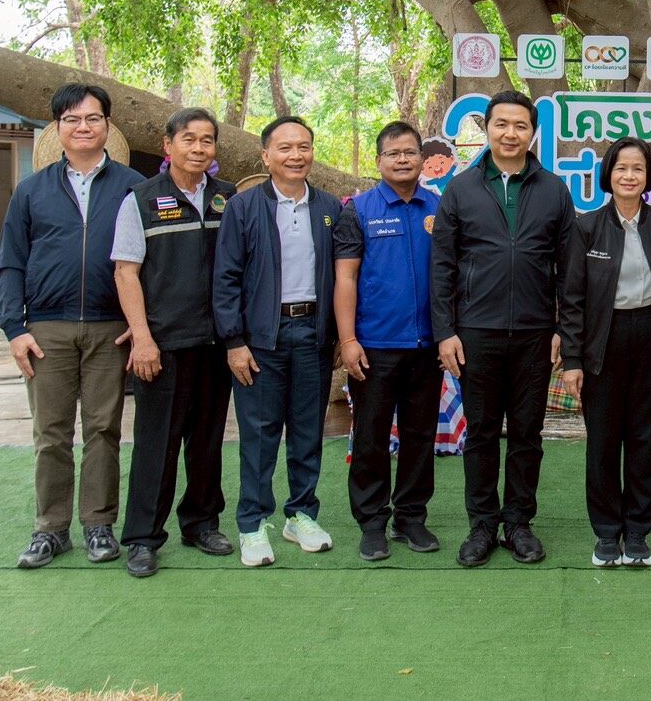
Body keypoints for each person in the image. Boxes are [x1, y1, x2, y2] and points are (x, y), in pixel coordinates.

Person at [0, 83, 144, 569]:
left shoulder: (133, 186)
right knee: (51, 433)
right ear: (57, 127)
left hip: (110, 328)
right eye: (72, 119)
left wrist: (140, 324)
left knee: (104, 429)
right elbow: (10, 262)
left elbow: (151, 263)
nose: (83, 127)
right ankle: (51, 529)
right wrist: (14, 327)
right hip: (46, 330)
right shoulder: (32, 190)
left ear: (107, 126)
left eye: (93, 118)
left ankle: (99, 524)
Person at [432, 90, 574, 568]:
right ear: (487, 129)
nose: (510, 134)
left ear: (532, 133)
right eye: (501, 124)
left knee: (528, 432)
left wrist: (563, 328)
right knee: (481, 432)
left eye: (520, 126)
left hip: (536, 334)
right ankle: (482, 525)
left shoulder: (553, 189)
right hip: (476, 333)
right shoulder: (461, 189)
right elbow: (442, 266)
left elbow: (569, 269)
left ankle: (518, 523)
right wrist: (445, 331)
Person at [558, 138, 651, 569]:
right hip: (604, 341)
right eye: (621, 168)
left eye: (638, 168)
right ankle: (606, 533)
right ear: (609, 174)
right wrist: (572, 360)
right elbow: (572, 299)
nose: (629, 176)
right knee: (603, 442)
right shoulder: (587, 227)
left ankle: (637, 531)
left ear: (648, 176)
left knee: (644, 440)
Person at [112, 107, 238, 578]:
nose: (199, 148)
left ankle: (201, 523)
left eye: (207, 140)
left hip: (216, 344)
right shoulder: (141, 199)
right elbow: (126, 273)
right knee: (156, 445)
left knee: (207, 442)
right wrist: (142, 339)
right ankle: (143, 538)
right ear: (169, 146)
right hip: (162, 346)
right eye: (189, 139)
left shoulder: (228, 199)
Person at [212, 116, 342, 568]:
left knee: (307, 431)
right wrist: (234, 341)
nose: (295, 155)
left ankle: (302, 514)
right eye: (285, 148)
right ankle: (252, 523)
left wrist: (338, 334)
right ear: (265, 156)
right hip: (261, 338)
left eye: (304, 146)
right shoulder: (243, 207)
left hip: (313, 334)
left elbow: (343, 276)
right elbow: (225, 279)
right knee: (260, 435)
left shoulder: (329, 208)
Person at [334, 122, 443, 562]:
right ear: (378, 161)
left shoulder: (440, 207)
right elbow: (346, 277)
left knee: (420, 436)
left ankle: (411, 518)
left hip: (428, 346)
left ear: (422, 160)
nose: (402, 159)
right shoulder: (358, 210)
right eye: (393, 153)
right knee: (371, 437)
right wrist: (347, 339)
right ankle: (372, 522)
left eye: (410, 152)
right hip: (374, 346)